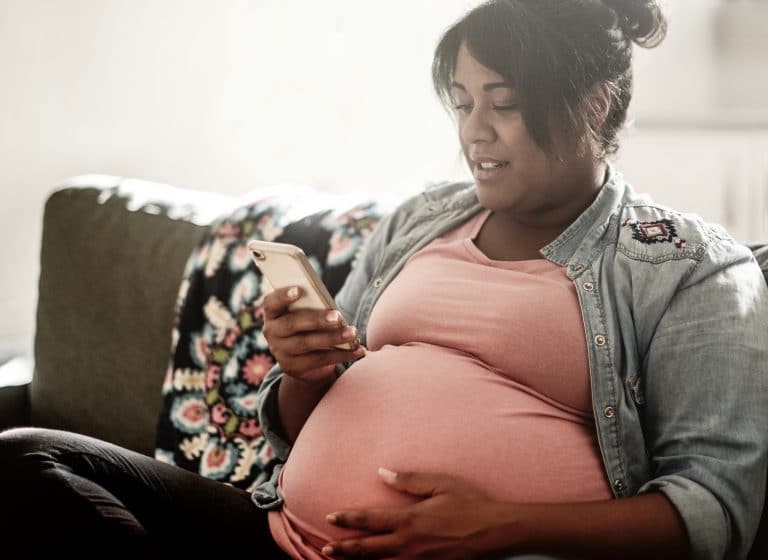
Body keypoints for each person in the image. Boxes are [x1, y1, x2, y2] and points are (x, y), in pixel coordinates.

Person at [1, 0, 766, 558]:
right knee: (28, 458)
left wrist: (502, 521)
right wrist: (307, 372)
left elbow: (713, 510)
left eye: (503, 105)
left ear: (592, 103)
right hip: (280, 537)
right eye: (464, 104)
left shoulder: (687, 268)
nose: (474, 132)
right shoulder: (422, 220)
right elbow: (309, 417)